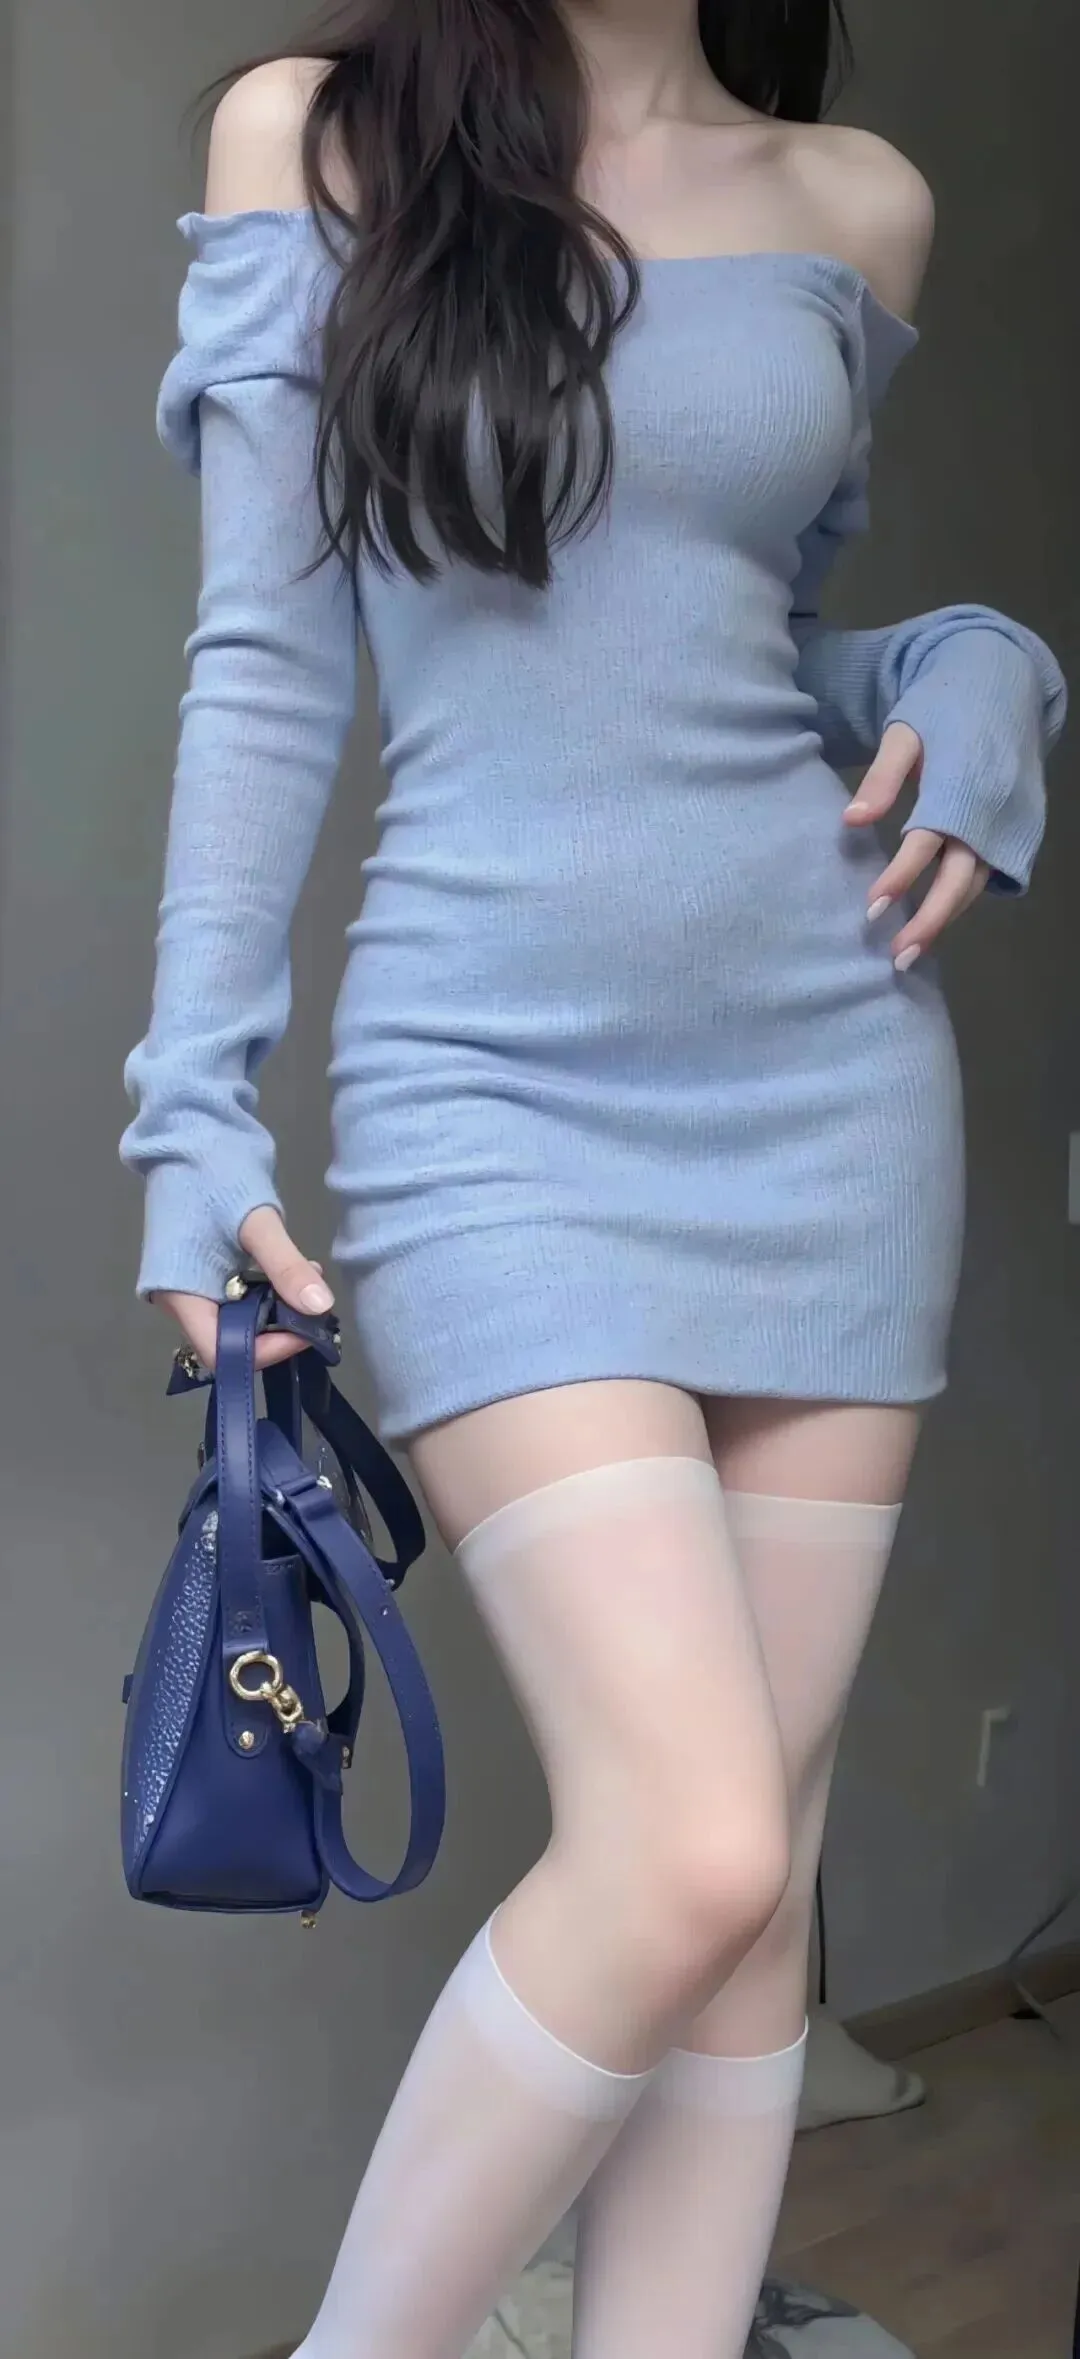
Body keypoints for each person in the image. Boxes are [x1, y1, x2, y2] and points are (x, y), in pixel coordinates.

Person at [120, 3, 1067, 2353]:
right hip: (492, 1096)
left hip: (830, 1092)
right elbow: (265, 660)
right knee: (691, 1842)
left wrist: (986, 666)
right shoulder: (318, 142)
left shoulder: (854, 200)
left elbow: (747, 635)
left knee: (754, 1906)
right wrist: (192, 1110)